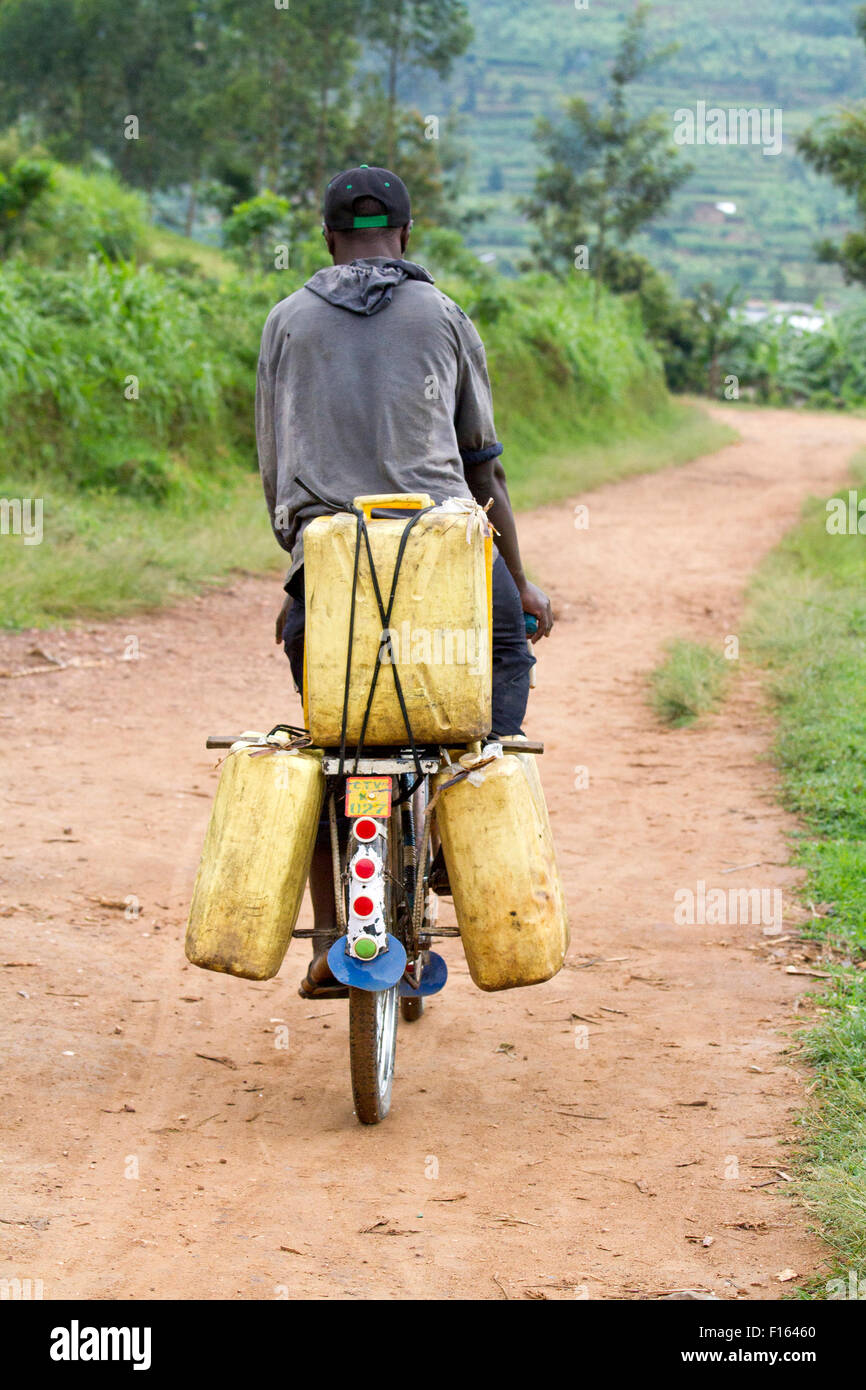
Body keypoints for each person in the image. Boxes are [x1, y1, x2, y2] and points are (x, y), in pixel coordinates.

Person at [255, 164, 553, 997]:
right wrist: (521, 584)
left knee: (326, 742)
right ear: (407, 235)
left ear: (326, 238)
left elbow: (275, 465)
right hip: (444, 555)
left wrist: (304, 561)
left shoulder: (286, 322)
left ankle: (325, 942)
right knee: (505, 652)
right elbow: (482, 467)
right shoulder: (445, 315)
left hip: (334, 562)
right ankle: (461, 830)